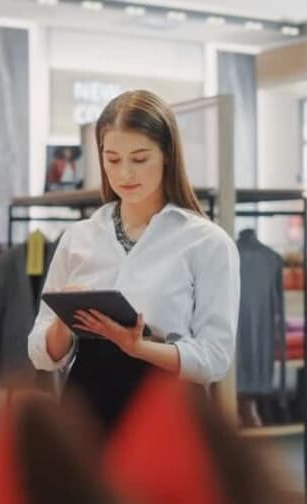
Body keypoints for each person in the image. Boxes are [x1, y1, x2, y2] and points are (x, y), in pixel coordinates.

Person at [28, 90, 241, 432]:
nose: (125, 173)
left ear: (168, 155)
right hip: (85, 413)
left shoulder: (207, 242)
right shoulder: (79, 237)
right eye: (112, 159)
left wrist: (139, 348)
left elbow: (215, 358)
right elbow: (41, 354)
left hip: (168, 415)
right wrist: (64, 321)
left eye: (139, 159)